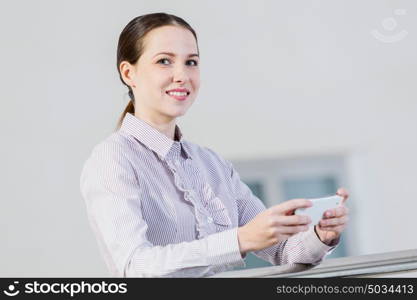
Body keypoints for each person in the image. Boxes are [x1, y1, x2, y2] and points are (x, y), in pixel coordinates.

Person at [80, 12, 349, 278]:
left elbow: (284, 252)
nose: (182, 75)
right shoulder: (112, 158)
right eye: (164, 61)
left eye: (191, 62)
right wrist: (239, 240)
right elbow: (136, 267)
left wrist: (320, 235)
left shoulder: (211, 164)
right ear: (129, 73)